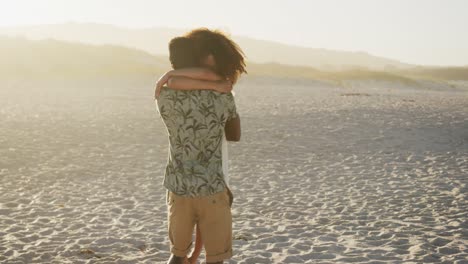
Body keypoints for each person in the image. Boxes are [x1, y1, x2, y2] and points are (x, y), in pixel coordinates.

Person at [155, 28, 246, 264]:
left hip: (178, 185)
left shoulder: (164, 94)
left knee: (178, 255)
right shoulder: (223, 96)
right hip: (212, 186)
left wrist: (170, 74)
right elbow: (234, 135)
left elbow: (176, 80)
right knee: (215, 258)